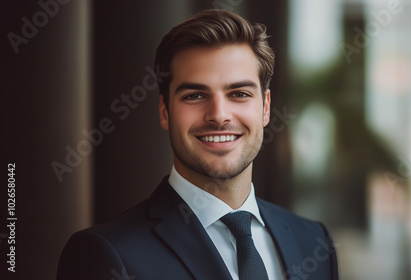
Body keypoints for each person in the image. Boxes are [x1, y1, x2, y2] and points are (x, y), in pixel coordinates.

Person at [57, 9, 339, 280]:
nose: (218, 115)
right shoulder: (107, 254)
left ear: (265, 108)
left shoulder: (313, 241)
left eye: (239, 93)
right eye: (194, 96)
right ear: (164, 111)